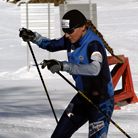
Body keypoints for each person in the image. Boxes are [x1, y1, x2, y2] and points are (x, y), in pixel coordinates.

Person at [19, 9, 115, 138]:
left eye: (70, 31)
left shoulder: (94, 44)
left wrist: (64, 66)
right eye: (65, 31)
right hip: (82, 98)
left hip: (101, 102)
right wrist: (34, 37)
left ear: (82, 27)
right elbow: (52, 45)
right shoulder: (70, 39)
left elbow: (94, 69)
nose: (67, 35)